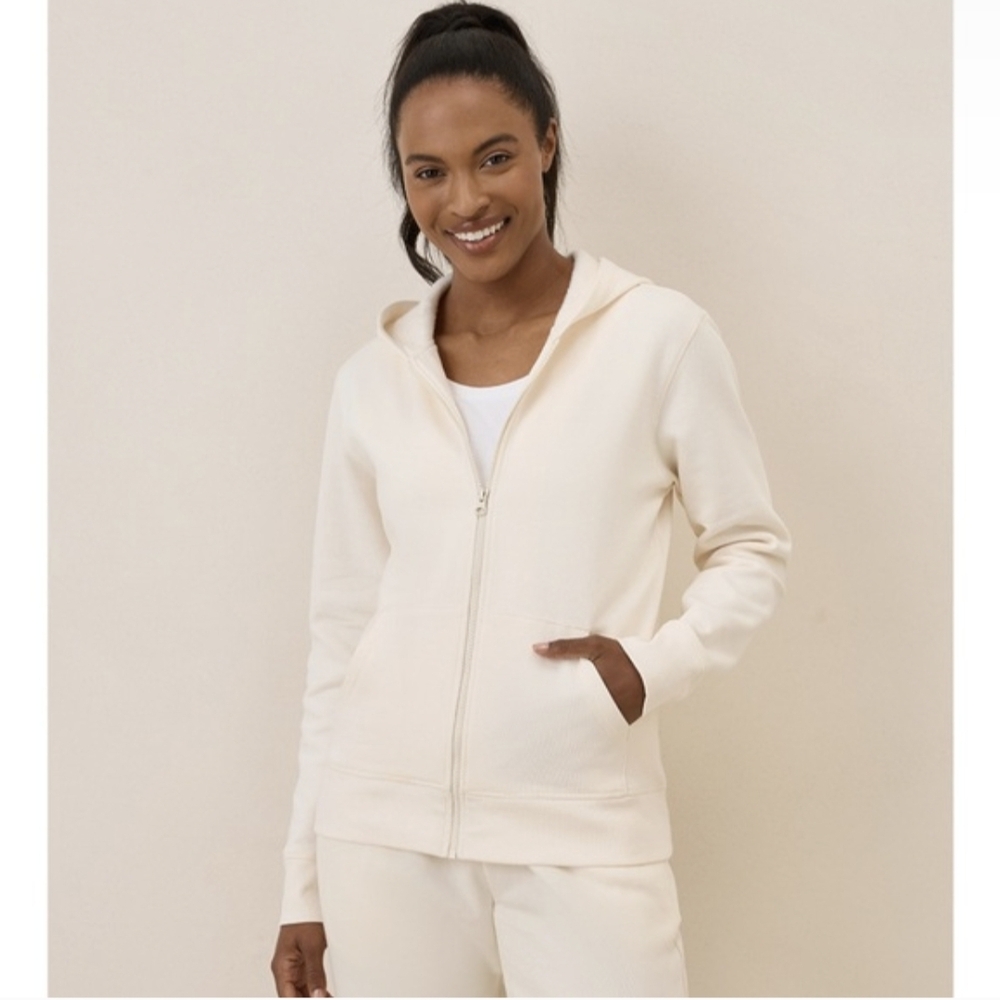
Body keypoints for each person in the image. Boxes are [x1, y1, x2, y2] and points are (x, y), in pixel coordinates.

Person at [271, 3, 790, 996]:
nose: (465, 199)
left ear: (547, 145)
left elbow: (750, 546)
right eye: (429, 172)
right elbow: (341, 634)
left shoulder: (658, 337)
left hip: (580, 831)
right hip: (381, 841)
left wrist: (650, 667)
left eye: (495, 157)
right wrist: (304, 882)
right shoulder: (371, 382)